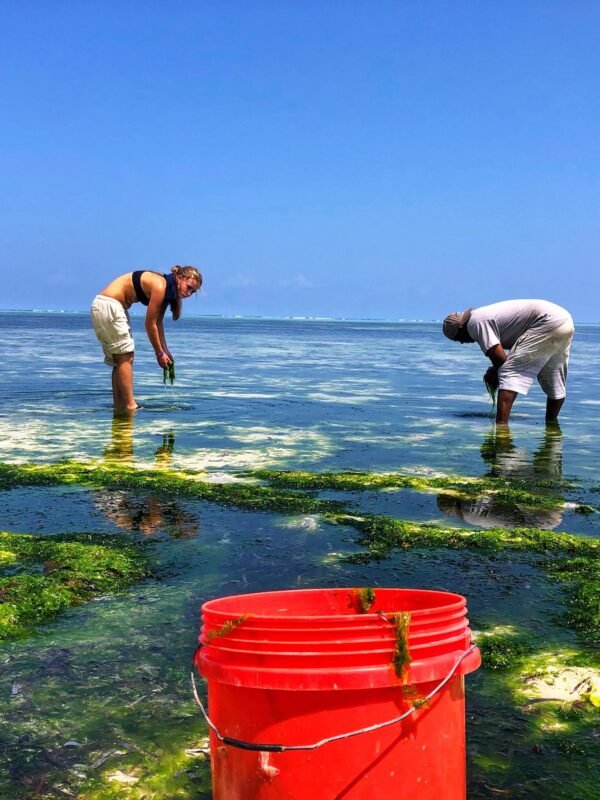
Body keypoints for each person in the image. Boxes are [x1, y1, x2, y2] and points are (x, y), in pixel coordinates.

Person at [442, 299, 574, 424]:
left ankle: (501, 430)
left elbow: (500, 360)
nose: (462, 342)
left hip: (546, 321)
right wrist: (495, 370)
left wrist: (494, 373)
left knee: (509, 372)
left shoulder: (474, 324)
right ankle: (552, 426)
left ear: (460, 329)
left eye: (458, 338)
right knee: (554, 379)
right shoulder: (480, 316)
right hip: (564, 319)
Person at [91, 266, 202, 411]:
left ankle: (119, 405)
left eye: (192, 292)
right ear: (179, 278)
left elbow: (158, 323)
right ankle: (130, 405)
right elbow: (149, 324)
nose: (188, 293)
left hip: (110, 307)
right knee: (126, 358)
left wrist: (165, 350)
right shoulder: (160, 285)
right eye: (188, 287)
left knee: (120, 360)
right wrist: (159, 353)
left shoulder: (167, 290)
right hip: (109, 305)